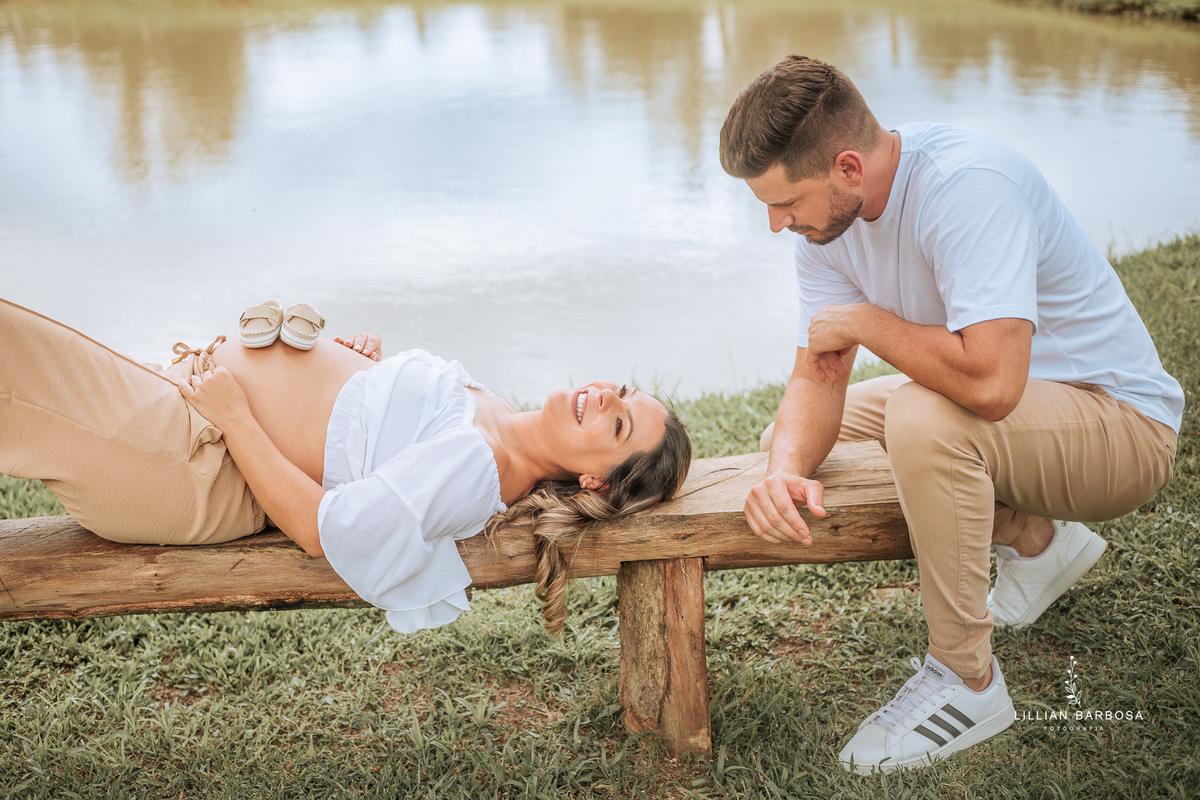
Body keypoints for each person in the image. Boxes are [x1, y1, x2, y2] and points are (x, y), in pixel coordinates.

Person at [719, 56, 1181, 773]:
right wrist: (782, 472)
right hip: (1025, 418)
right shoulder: (829, 227)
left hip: (1120, 425)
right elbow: (818, 370)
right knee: (790, 436)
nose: (777, 224)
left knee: (920, 418)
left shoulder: (967, 187)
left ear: (847, 168)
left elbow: (992, 385)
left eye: (785, 203)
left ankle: (966, 680)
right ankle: (1035, 540)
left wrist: (868, 321)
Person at [0, 297, 691, 634]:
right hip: (183, 412)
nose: (607, 397)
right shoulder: (497, 411)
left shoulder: (477, 465)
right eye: (624, 391)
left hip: (190, 459)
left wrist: (237, 417)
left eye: (619, 424)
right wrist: (366, 371)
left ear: (595, 480)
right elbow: (371, 434)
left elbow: (326, 530)